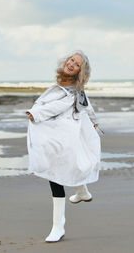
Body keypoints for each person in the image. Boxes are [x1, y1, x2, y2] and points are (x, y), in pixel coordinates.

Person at [25, 50, 101, 243]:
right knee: (63, 165)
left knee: (55, 173)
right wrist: (95, 120)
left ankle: (58, 226)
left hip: (63, 133)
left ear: (80, 71)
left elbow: (58, 106)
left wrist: (37, 113)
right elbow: (87, 104)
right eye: (71, 60)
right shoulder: (70, 84)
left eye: (76, 65)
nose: (71, 64)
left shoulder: (72, 89)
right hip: (61, 131)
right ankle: (82, 192)